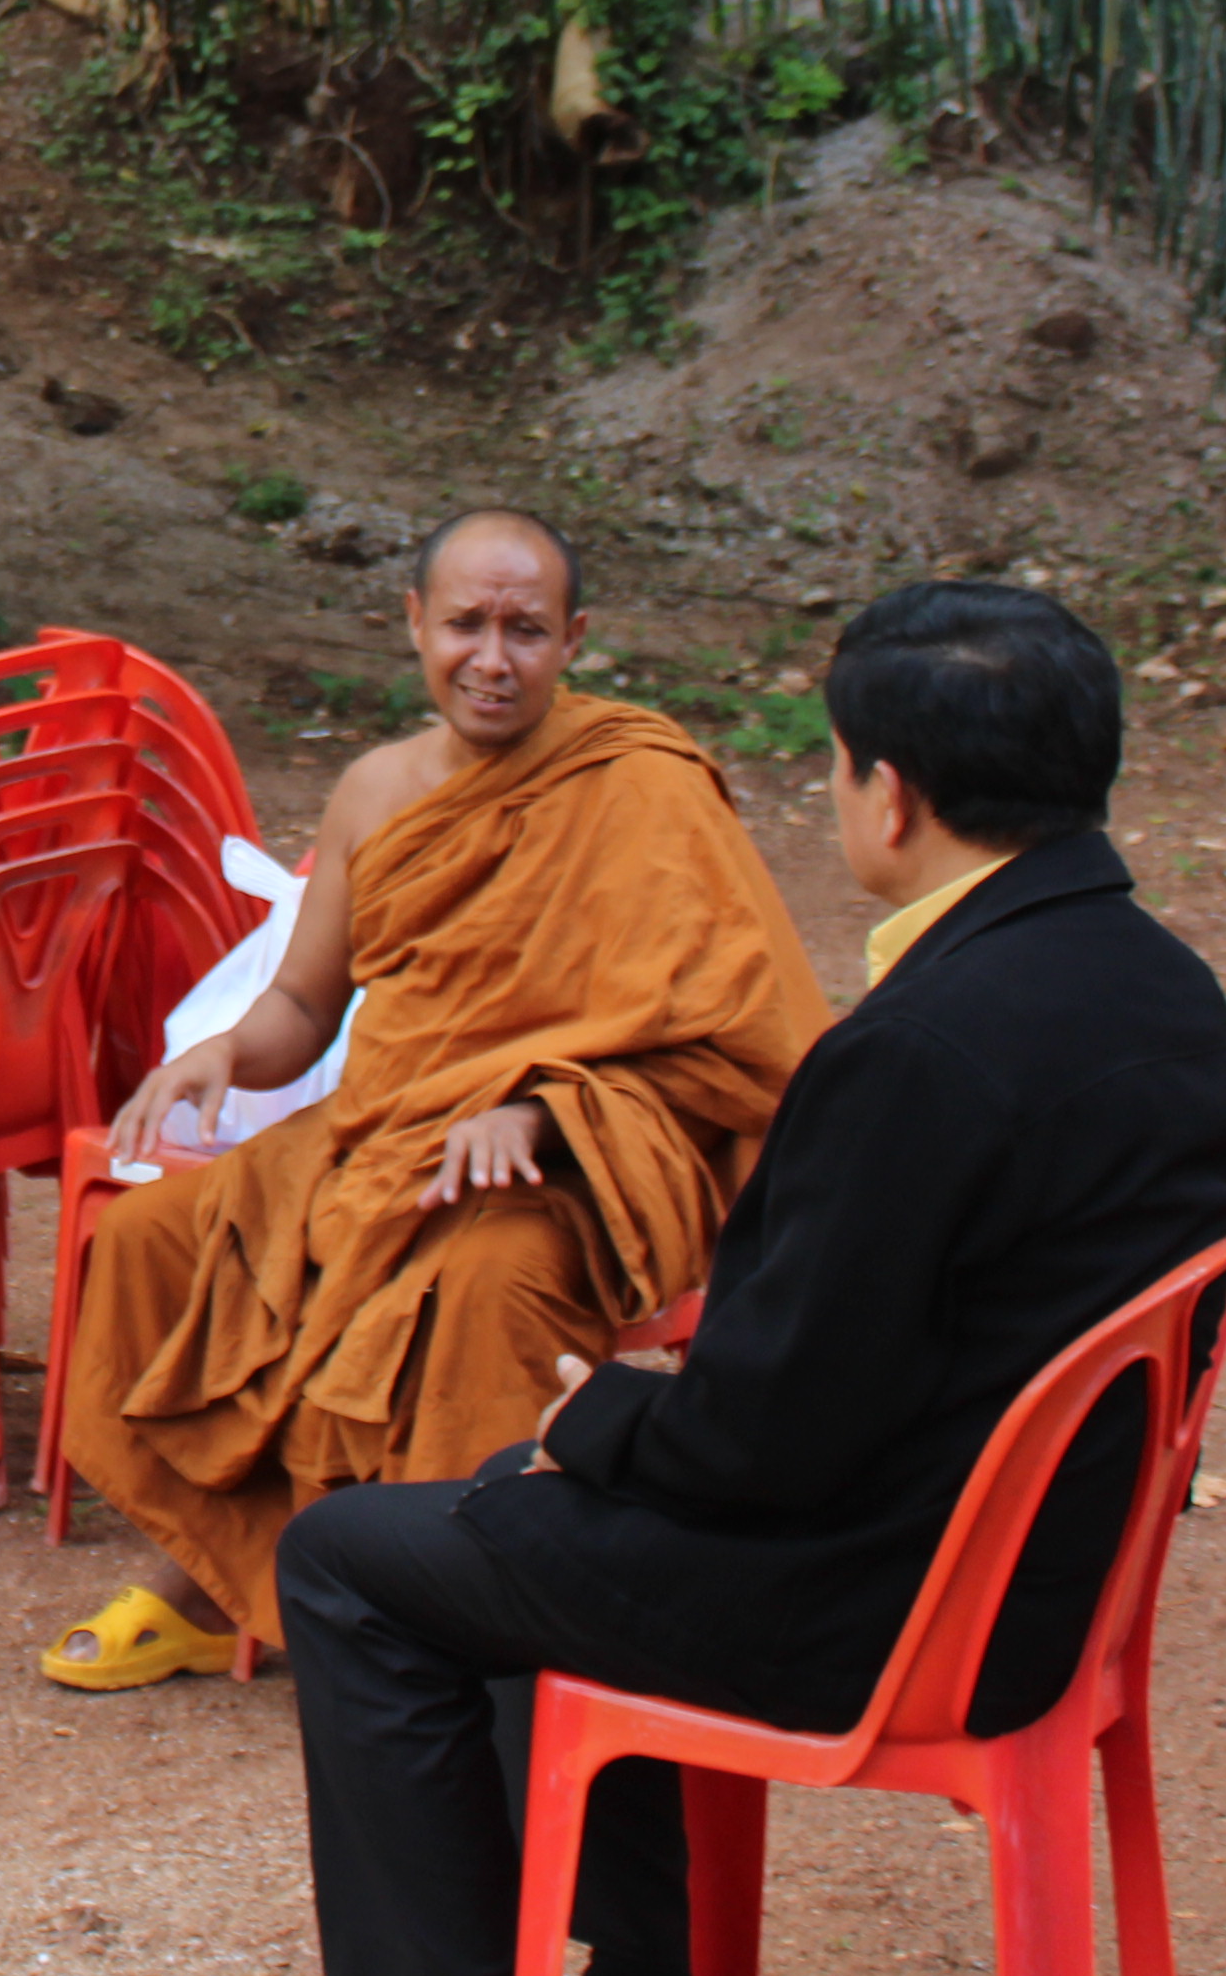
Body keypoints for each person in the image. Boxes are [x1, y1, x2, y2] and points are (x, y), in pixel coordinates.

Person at [250, 579, 1226, 1976]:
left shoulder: (919, 1052)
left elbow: (773, 1439)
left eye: (841, 764)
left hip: (887, 1607)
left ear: (893, 792)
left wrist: (600, 1427)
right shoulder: (1170, 994)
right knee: (528, 1542)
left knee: (363, 1558)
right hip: (1046, 1580)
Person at [41, 512, 821, 1689]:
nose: (492, 659)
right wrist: (220, 1055)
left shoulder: (641, 783)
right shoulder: (376, 789)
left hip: (581, 1157)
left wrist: (541, 1112)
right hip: (391, 1126)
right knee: (153, 1237)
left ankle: (477, 1607)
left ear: (576, 642)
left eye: (526, 630)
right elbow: (306, 1005)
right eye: (465, 625)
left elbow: (726, 1033)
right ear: (414, 624)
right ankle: (220, 1580)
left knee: (478, 1283)